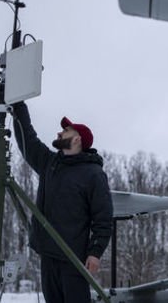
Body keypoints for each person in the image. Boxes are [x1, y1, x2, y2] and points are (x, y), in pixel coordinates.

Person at [11, 101, 113, 303]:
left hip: (74, 259)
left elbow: (103, 218)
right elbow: (28, 141)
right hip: (48, 256)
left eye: (65, 131)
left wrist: (95, 253)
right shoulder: (50, 163)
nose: (59, 134)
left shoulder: (93, 174)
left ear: (77, 139)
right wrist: (18, 107)